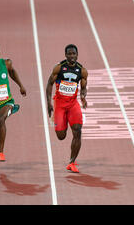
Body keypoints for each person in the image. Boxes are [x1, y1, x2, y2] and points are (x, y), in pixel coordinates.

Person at [46, 44, 88, 173]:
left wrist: (82, 97)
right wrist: (49, 103)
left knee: (78, 131)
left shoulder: (82, 70)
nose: (71, 56)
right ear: (65, 55)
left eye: (73, 54)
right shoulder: (59, 67)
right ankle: (59, 121)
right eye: (69, 54)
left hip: (73, 104)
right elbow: (49, 84)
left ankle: (72, 162)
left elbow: (84, 87)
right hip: (60, 104)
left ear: (77, 55)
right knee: (61, 136)